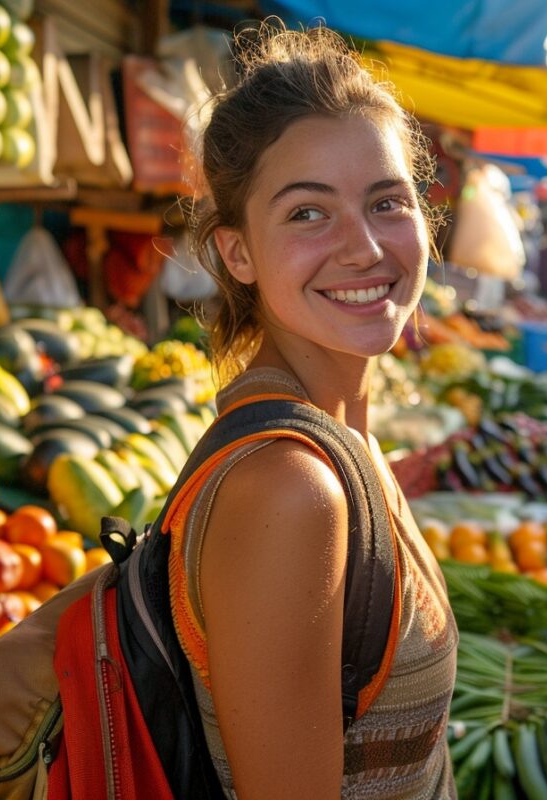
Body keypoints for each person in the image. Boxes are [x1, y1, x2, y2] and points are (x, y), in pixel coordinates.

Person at [190, 25, 456, 796]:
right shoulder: (292, 490)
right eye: (309, 213)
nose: (366, 247)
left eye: (387, 201)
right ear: (238, 252)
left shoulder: (339, 442)